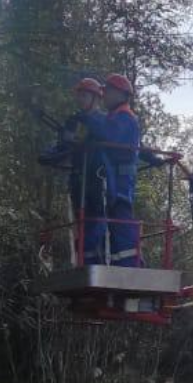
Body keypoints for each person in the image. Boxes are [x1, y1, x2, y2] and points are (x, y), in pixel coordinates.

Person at [78, 73, 141, 267]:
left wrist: (91, 116)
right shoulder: (115, 117)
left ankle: (129, 267)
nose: (104, 95)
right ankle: (96, 262)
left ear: (121, 94)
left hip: (120, 183)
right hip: (109, 182)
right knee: (100, 224)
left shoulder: (124, 118)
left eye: (108, 91)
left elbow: (109, 133)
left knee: (121, 225)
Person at [61, 77, 107, 264]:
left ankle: (94, 259)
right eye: (79, 95)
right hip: (79, 180)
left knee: (96, 219)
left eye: (84, 95)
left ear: (96, 98)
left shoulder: (103, 121)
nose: (80, 99)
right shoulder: (75, 120)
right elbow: (63, 145)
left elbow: (105, 134)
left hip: (97, 179)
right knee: (80, 222)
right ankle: (82, 259)